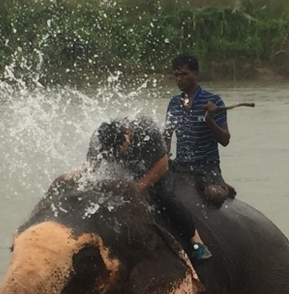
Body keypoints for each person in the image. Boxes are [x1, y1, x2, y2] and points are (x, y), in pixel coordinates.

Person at [87, 116, 213, 262]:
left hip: (153, 170)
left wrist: (138, 187)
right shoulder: (100, 138)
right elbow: (91, 167)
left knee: (164, 197)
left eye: (120, 148)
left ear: (127, 133)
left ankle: (197, 242)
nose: (118, 153)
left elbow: (163, 164)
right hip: (126, 173)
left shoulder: (147, 131)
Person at [163, 53, 233, 207]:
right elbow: (167, 135)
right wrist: (164, 157)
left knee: (215, 196)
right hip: (181, 165)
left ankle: (222, 187)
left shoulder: (213, 101)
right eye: (176, 75)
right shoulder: (174, 103)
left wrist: (210, 120)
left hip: (206, 166)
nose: (179, 79)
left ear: (195, 74)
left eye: (184, 74)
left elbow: (225, 140)